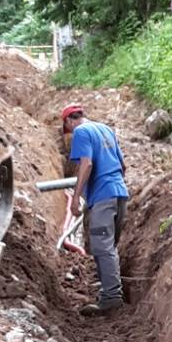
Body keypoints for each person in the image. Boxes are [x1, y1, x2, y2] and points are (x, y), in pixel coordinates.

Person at [62, 102, 129, 316]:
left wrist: (75, 197)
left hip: (103, 196)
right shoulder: (106, 130)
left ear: (69, 120)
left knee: (102, 246)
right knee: (108, 244)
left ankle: (111, 297)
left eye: (68, 129)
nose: (70, 134)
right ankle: (109, 289)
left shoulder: (81, 131)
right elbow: (123, 165)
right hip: (119, 194)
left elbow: (87, 164)